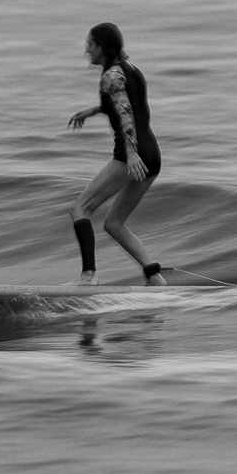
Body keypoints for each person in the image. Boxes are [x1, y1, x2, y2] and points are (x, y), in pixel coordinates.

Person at [68, 22, 166, 286]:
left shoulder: (110, 76)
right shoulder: (130, 69)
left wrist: (131, 154)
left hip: (131, 153)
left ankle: (89, 276)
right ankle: (154, 277)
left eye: (90, 44)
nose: (86, 50)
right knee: (113, 223)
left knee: (79, 208)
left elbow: (126, 114)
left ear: (103, 47)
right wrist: (93, 111)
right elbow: (129, 102)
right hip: (152, 153)